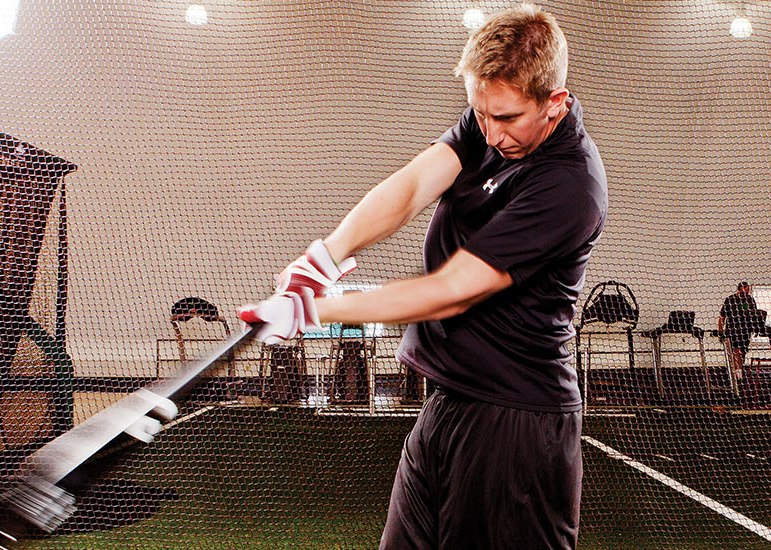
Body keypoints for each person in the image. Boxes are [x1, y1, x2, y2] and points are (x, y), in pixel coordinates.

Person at [239, 5, 607, 548]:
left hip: (517, 422)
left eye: (505, 118)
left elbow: (449, 291)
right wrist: (326, 254)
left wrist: (312, 309)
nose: (490, 130)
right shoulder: (489, 121)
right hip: (449, 400)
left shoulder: (569, 186)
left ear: (555, 103)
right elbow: (412, 187)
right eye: (479, 113)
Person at [718, 281, 759, 378]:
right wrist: (720, 331)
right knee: (736, 351)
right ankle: (737, 373)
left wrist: (756, 328)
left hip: (745, 331)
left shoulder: (750, 301)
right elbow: (722, 317)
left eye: (747, 292)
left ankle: (739, 371)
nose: (745, 295)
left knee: (743, 352)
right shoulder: (730, 300)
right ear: (738, 290)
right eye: (743, 293)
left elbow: (755, 315)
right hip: (733, 330)